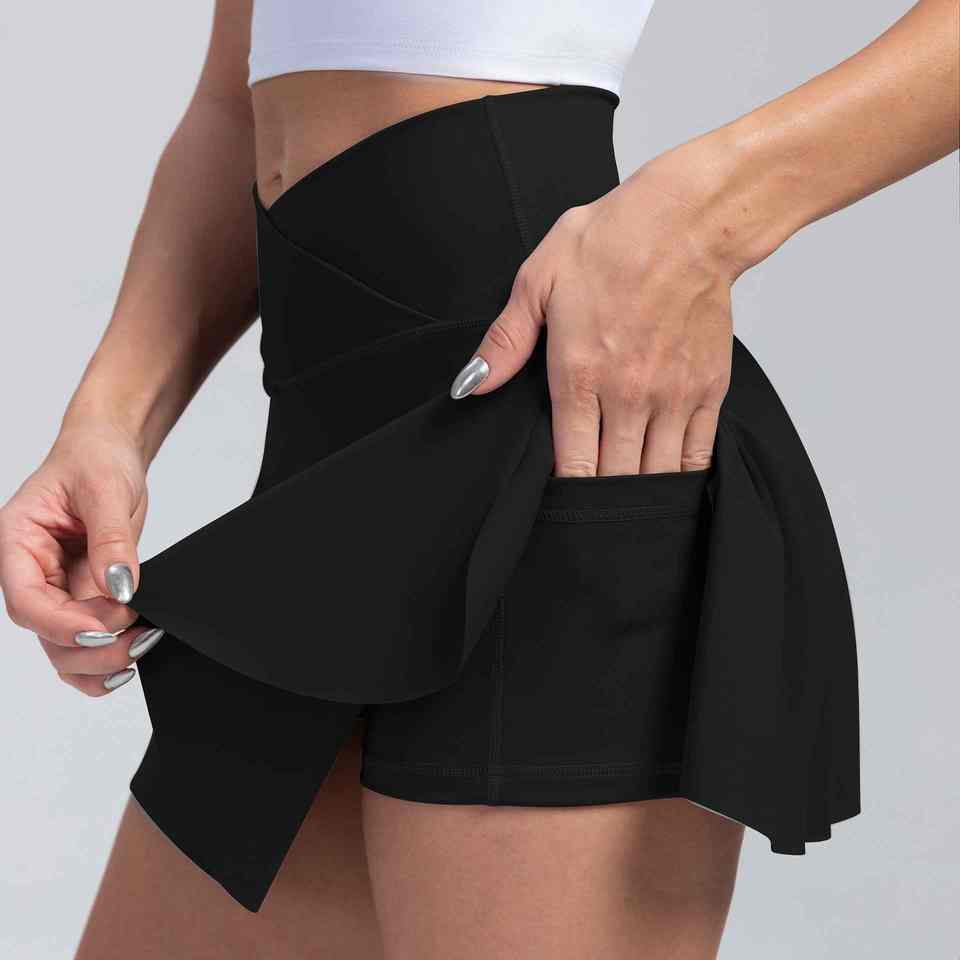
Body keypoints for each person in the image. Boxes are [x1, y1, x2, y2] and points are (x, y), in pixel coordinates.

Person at [0, 1, 956, 957]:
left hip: (562, 428)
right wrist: (109, 420)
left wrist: (700, 214)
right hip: (329, 470)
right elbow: (237, 100)